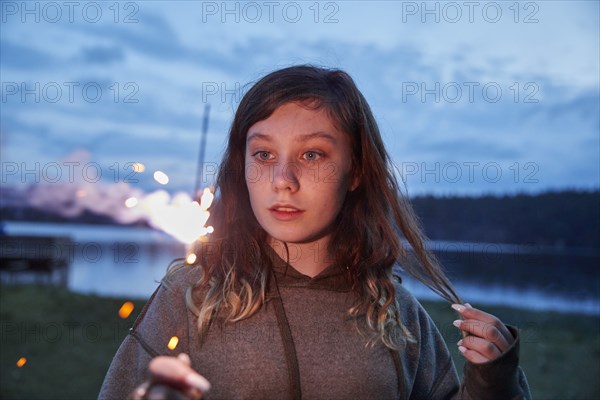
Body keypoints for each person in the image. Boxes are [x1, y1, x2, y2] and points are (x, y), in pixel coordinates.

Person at [99, 65, 531, 399]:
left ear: (356, 170)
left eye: (311, 153)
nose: (283, 179)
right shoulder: (191, 295)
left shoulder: (396, 313)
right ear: (241, 166)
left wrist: (494, 379)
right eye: (264, 154)